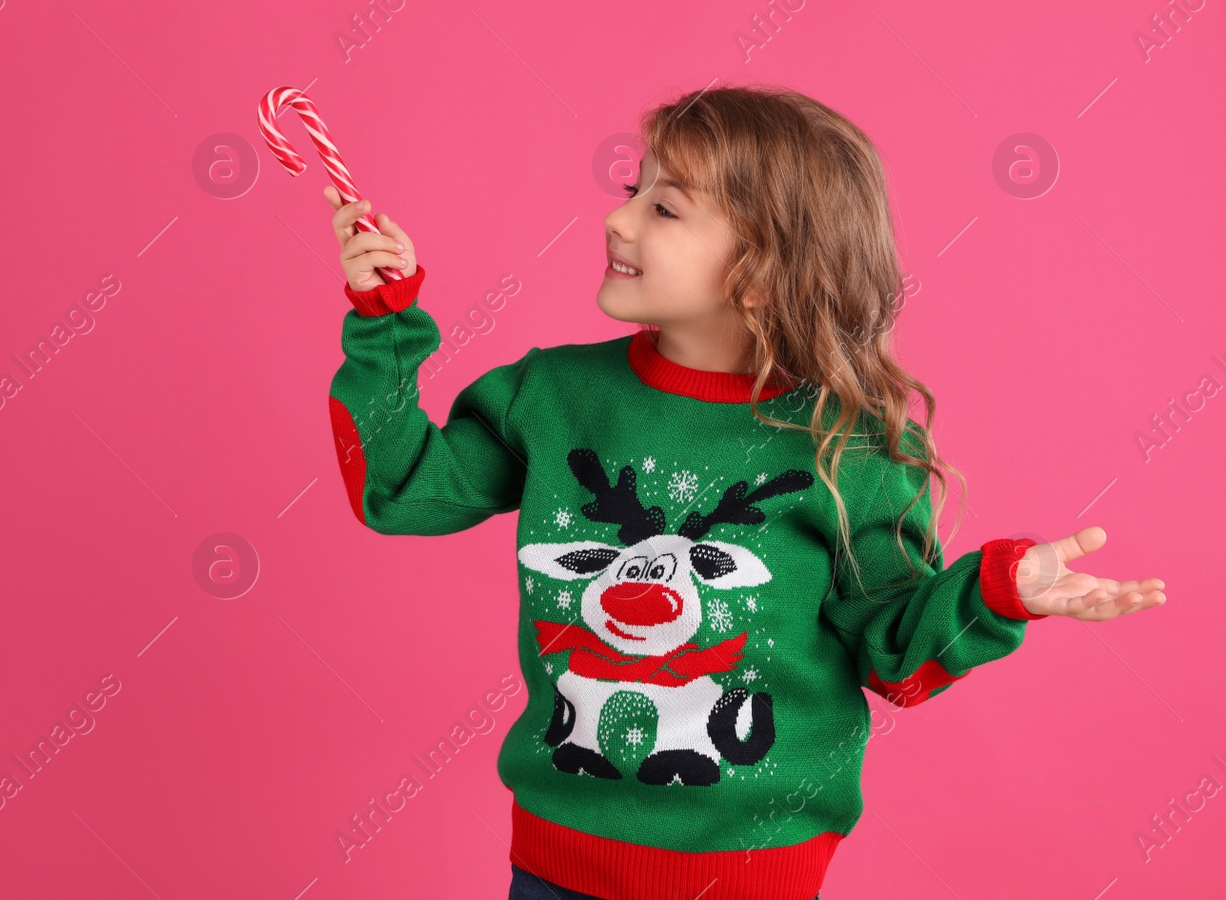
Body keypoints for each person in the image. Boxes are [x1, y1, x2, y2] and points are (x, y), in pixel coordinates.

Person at [322, 84, 1165, 900]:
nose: (618, 217)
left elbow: (898, 662)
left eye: (666, 206)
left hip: (752, 877)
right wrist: (385, 324)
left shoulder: (852, 449)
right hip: (557, 864)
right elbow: (402, 489)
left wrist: (997, 591)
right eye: (633, 188)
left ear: (763, 273)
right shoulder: (549, 397)